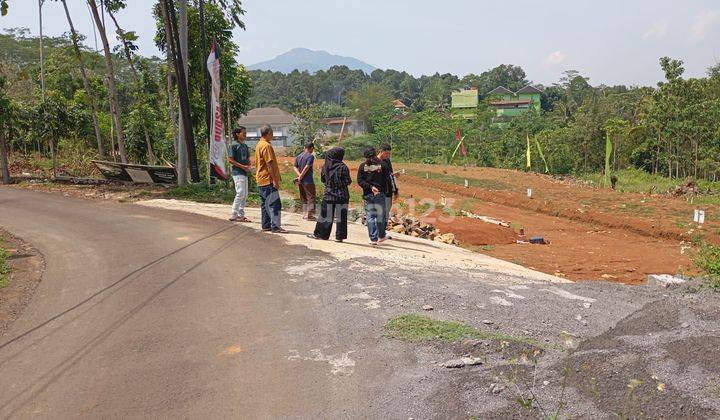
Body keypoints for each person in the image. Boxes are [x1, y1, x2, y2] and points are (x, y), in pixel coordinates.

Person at [307, 147, 351, 242]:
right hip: (342, 195)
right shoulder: (343, 167)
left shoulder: (326, 167)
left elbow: (323, 180)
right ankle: (339, 237)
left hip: (329, 195)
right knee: (341, 217)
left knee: (325, 215)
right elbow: (348, 181)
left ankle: (321, 234)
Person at [254, 124, 287, 233]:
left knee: (264, 203)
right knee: (275, 203)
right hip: (268, 179)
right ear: (268, 134)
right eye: (272, 133)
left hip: (260, 178)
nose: (273, 136)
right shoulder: (267, 146)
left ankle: (266, 225)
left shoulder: (259, 144)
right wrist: (274, 180)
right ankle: (276, 226)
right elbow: (270, 164)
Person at [357, 147, 391, 246]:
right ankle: (381, 236)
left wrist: (370, 187)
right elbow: (387, 180)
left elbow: (360, 181)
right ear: (376, 153)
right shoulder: (383, 165)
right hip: (380, 194)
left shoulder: (363, 166)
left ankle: (373, 239)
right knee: (380, 216)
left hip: (368, 194)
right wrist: (382, 191)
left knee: (370, 217)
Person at [227, 126, 252, 222]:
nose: (245, 135)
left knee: (245, 194)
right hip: (237, 173)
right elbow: (230, 159)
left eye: (246, 133)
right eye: (243, 133)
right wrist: (242, 167)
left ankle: (241, 214)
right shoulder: (233, 145)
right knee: (240, 192)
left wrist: (249, 165)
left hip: (244, 173)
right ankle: (234, 214)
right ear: (237, 134)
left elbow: (248, 158)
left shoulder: (245, 146)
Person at [378, 144, 399, 240]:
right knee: (380, 212)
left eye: (389, 154)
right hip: (379, 191)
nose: (388, 156)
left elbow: (390, 175)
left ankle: (382, 232)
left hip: (388, 190)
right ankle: (378, 233)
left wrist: (395, 190)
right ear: (381, 151)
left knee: (386, 213)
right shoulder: (375, 161)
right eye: (386, 153)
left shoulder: (387, 161)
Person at [293, 142, 316, 220]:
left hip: (300, 181)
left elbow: (295, 167)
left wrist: (299, 176)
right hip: (308, 181)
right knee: (311, 197)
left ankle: (304, 214)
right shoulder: (310, 156)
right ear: (312, 148)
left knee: (303, 197)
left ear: (304, 148)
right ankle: (309, 215)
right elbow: (307, 167)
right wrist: (301, 176)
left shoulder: (298, 156)